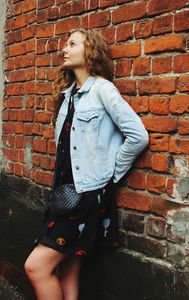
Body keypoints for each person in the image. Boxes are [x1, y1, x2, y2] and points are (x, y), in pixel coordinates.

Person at [24, 28, 149, 300]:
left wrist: (111, 173)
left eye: (72, 44)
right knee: (68, 268)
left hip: (88, 194)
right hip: (65, 192)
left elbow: (138, 136)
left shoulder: (103, 90)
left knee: (35, 267)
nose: (64, 49)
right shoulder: (68, 95)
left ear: (90, 50)